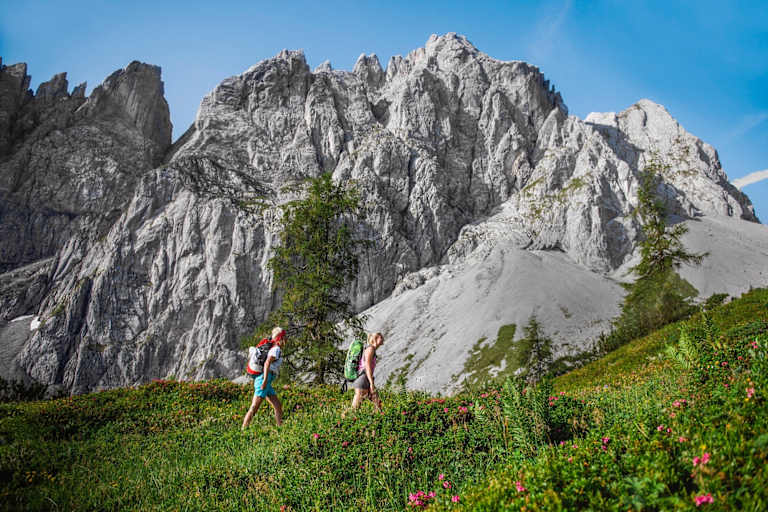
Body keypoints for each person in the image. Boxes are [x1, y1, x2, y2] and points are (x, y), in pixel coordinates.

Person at [242, 326, 286, 428]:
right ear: (280, 338)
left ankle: (280, 428)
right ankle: (243, 429)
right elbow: (267, 363)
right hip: (264, 379)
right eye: (284, 337)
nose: (286, 339)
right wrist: (265, 381)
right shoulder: (276, 349)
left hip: (266, 380)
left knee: (278, 406)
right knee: (254, 407)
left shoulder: (273, 347)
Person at [349, 332, 384, 412]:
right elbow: (367, 366)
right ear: (375, 339)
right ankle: (341, 419)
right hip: (363, 379)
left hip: (365, 379)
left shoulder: (372, 349)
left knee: (377, 403)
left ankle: (379, 418)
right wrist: (371, 383)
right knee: (354, 409)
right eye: (381, 337)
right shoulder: (370, 349)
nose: (383, 338)